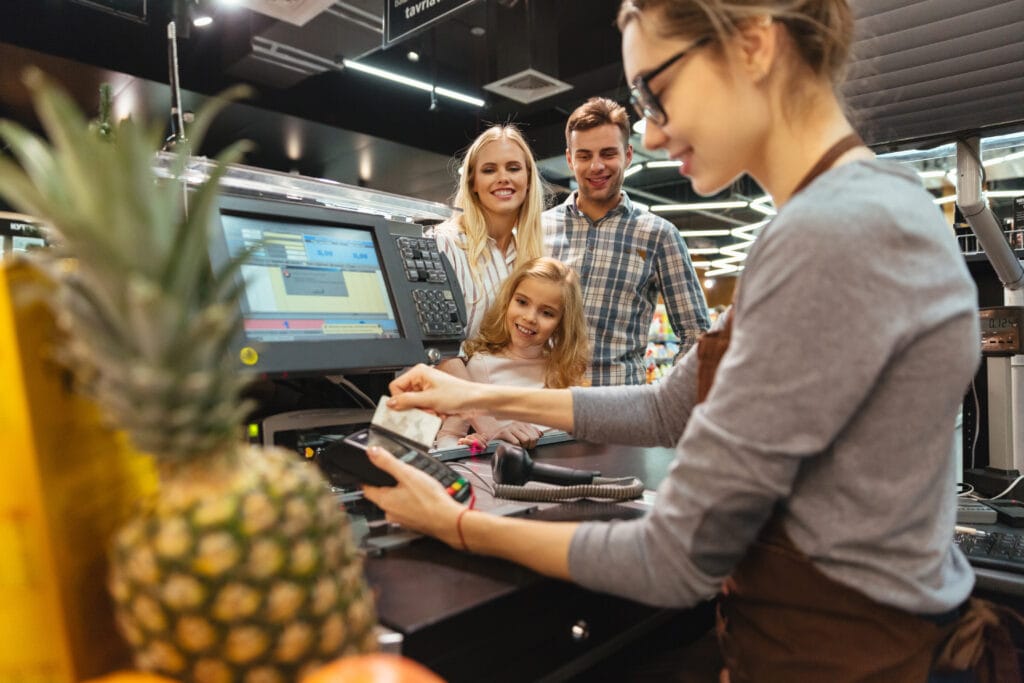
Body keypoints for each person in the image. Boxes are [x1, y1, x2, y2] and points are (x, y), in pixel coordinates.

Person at [364, 1, 1014, 680]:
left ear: (755, 46)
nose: (646, 132)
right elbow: (666, 409)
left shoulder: (833, 236)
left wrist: (458, 525)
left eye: (655, 90)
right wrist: (471, 391)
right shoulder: (859, 206)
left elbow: (675, 558)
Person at [543, 96, 710, 386]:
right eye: (584, 156)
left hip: (619, 414)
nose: (596, 166)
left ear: (628, 155)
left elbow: (697, 335)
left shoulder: (659, 235)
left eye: (608, 153)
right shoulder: (540, 228)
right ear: (570, 159)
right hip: (542, 412)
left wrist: (663, 399)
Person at [434, 257, 589, 450]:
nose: (529, 317)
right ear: (508, 301)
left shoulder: (564, 370)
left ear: (562, 323)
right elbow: (448, 438)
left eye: (547, 313)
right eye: (522, 302)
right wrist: (473, 447)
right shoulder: (481, 366)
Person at [432, 124, 547, 342]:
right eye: (489, 170)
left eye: (513, 168)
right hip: (451, 376)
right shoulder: (444, 243)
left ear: (529, 180)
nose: (503, 177)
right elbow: (437, 349)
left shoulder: (532, 257)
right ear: (472, 182)